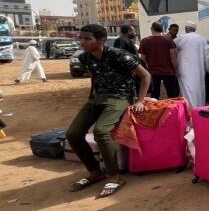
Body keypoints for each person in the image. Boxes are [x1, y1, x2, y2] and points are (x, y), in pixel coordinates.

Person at [67, 24, 151, 197]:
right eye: (81, 38)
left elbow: (146, 76)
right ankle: (95, 172)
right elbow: (96, 76)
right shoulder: (85, 58)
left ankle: (115, 176)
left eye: (87, 39)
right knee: (73, 133)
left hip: (119, 97)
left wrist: (140, 101)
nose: (82, 42)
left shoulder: (118, 55)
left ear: (101, 40)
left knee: (101, 131)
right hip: (96, 98)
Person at [139, 21, 179, 99]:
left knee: (154, 95)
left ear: (152, 29)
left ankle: (156, 110)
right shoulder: (169, 40)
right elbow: (173, 57)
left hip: (153, 71)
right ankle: (172, 110)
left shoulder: (144, 41)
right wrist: (176, 69)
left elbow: (142, 59)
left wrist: (144, 71)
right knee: (172, 95)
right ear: (162, 29)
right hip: (168, 71)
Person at [175, 21, 209, 108]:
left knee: (187, 90)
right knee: (199, 89)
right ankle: (199, 109)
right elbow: (206, 56)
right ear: (195, 29)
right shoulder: (202, 39)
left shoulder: (182, 37)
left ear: (186, 28)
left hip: (185, 69)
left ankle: (190, 111)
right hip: (199, 70)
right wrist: (207, 68)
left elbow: (171, 46)